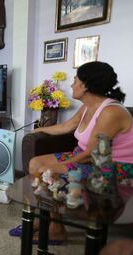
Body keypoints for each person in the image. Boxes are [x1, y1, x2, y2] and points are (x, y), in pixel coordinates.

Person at [26, 61, 133, 242]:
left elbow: (92, 153)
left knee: (45, 169)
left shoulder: (111, 112)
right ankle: (50, 220)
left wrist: (56, 166)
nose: (71, 84)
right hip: (86, 157)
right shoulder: (87, 107)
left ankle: (56, 228)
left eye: (75, 80)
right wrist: (34, 131)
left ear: (86, 85)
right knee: (35, 163)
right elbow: (65, 126)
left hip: (114, 168)